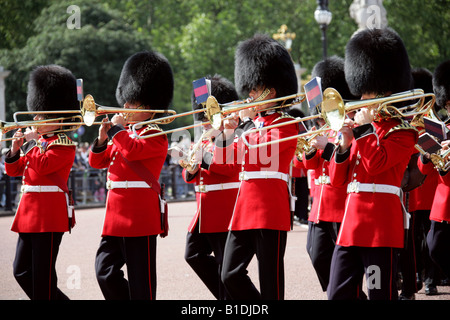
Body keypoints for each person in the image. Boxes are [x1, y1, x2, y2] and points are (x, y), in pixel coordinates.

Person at [327, 28, 419, 300]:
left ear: (388, 91)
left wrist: (364, 130)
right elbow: (337, 179)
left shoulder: (403, 132)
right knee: (338, 294)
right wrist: (343, 145)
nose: (364, 98)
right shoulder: (359, 129)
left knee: (381, 295)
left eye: (372, 92)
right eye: (364, 91)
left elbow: (377, 164)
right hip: (351, 225)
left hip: (380, 228)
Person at [217, 33, 299, 300]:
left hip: (270, 208)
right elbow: (223, 160)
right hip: (244, 208)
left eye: (254, 89)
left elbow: (263, 152)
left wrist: (244, 125)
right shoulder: (253, 124)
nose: (249, 95)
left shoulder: (286, 124)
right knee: (229, 274)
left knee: (271, 282)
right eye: (249, 89)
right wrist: (225, 134)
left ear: (271, 91)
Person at [89, 50, 173, 300]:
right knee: (104, 271)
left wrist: (115, 130)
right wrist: (103, 138)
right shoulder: (122, 134)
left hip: (140, 215)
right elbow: (97, 162)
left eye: (131, 103)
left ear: (146, 106)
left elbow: (134, 151)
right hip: (115, 215)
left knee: (141, 283)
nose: (124, 107)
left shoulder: (155, 134)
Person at [5, 64, 79, 300]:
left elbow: (45, 165)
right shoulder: (37, 143)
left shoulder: (63, 143)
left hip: (49, 214)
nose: (35, 119)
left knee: (43, 277)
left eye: (41, 115)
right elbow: (14, 170)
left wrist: (29, 143)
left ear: (57, 118)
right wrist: (15, 150)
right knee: (21, 271)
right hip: (28, 212)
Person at [299, 56, 358, 294]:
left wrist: (327, 147)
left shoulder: (349, 125)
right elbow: (309, 166)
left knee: (343, 267)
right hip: (319, 207)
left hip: (341, 204)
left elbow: (349, 159)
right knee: (316, 255)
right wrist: (312, 147)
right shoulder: (323, 126)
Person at [182, 74, 240, 300]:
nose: (204, 118)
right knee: (193, 255)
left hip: (223, 210)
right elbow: (191, 174)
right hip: (204, 212)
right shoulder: (205, 137)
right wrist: (191, 167)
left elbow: (229, 167)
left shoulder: (233, 135)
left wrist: (203, 159)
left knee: (226, 267)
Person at [421, 59, 450, 282]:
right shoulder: (444, 129)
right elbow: (423, 169)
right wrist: (426, 152)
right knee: (435, 247)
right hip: (443, 203)